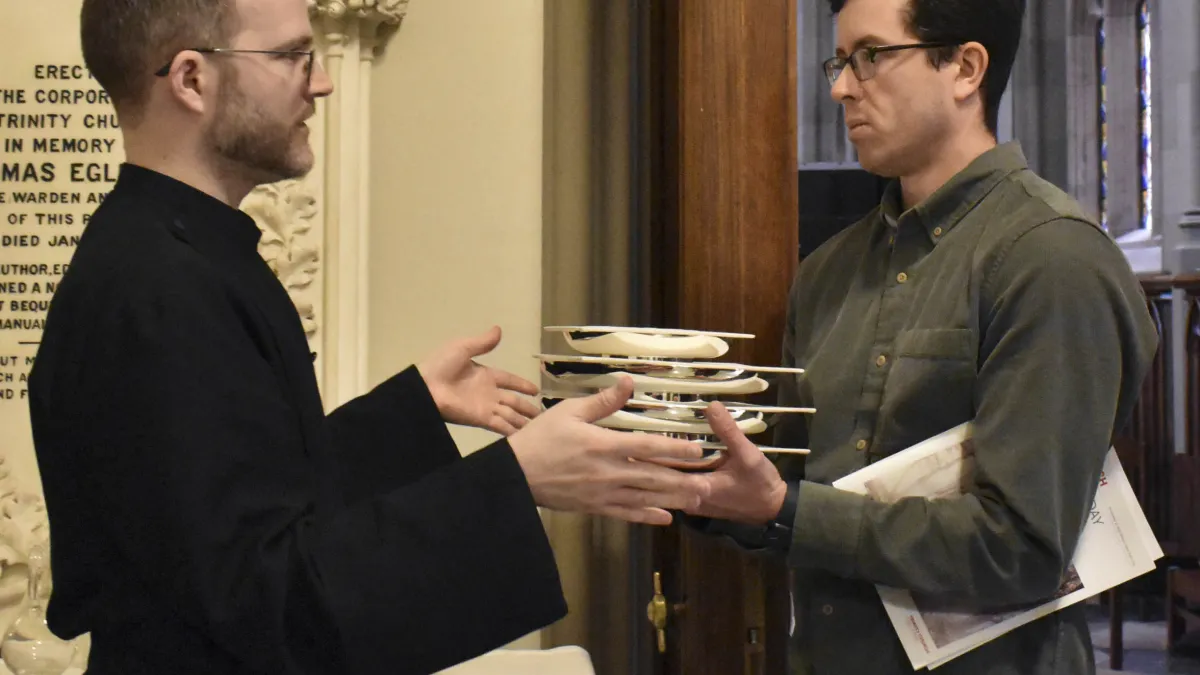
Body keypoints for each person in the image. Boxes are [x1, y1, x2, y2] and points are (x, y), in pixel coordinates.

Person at [26, 0, 713, 673]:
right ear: (191, 79)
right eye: (293, 55)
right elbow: (268, 602)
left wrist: (407, 411)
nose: (319, 79)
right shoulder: (157, 289)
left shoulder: (180, 254)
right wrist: (513, 477)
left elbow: (238, 507)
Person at [681, 0, 1158, 673]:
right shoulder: (827, 272)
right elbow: (788, 491)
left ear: (965, 68)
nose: (842, 86)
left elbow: (1022, 548)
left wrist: (788, 509)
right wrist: (689, 482)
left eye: (871, 57)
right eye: (840, 61)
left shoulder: (1051, 259)